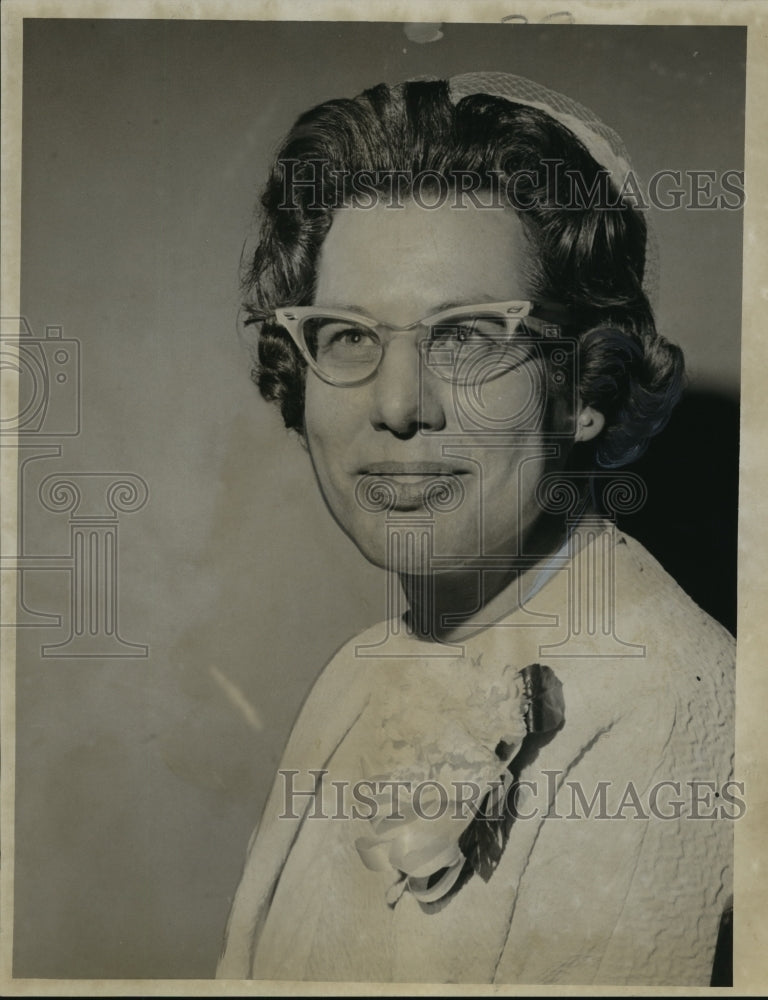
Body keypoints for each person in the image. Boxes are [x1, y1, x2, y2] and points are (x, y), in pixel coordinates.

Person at [216, 73, 735, 985]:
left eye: (466, 336)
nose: (399, 404)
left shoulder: (681, 714)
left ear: (581, 387)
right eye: (347, 336)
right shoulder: (356, 672)